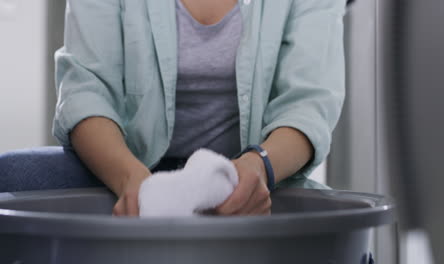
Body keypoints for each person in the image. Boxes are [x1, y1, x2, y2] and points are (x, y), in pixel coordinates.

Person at [0, 0, 347, 216]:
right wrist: (132, 181)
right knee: (12, 177)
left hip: (257, 175)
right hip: (126, 167)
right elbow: (87, 91)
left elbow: (307, 103)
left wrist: (258, 168)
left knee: (346, 243)